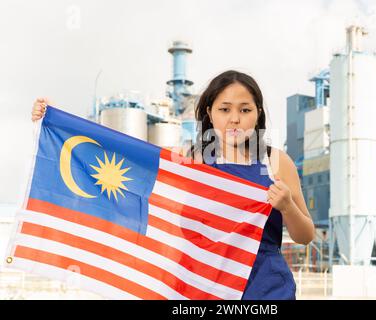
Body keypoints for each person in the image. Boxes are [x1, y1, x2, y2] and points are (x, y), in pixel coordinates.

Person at [31, 70, 315, 300]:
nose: (235, 119)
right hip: (204, 285)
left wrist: (287, 206)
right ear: (209, 111)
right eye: (225, 109)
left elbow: (305, 236)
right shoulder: (192, 161)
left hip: (266, 290)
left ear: (258, 113)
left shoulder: (276, 162)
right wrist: (55, 121)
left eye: (245, 109)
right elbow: (124, 164)